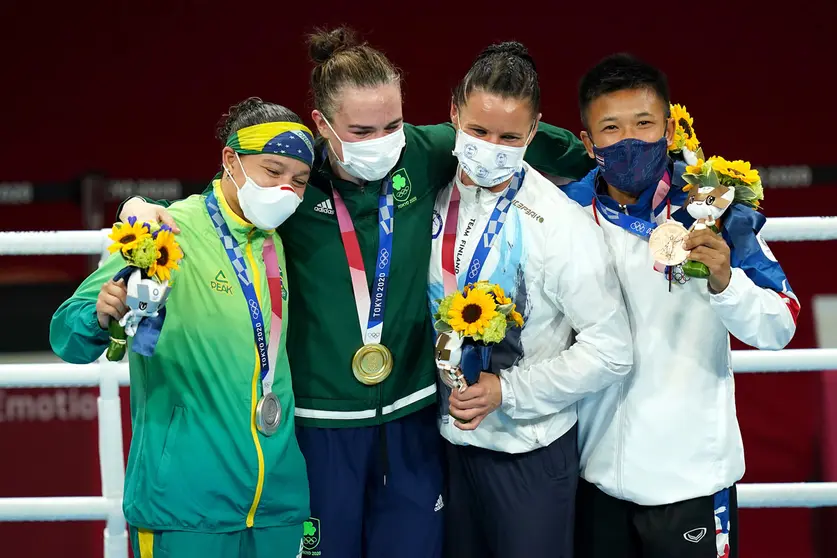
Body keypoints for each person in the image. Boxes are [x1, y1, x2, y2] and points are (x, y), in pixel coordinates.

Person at [117, 27, 595, 558]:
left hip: (413, 415)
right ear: (322, 125)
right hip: (321, 427)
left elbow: (502, 132)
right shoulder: (294, 181)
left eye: (392, 123)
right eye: (361, 129)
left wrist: (593, 162)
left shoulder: (422, 150)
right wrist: (138, 207)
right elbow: (225, 204)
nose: (382, 140)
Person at [50, 99, 313, 558]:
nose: (286, 190)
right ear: (230, 160)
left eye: (299, 180)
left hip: (278, 505)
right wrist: (99, 314)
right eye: (273, 171)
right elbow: (65, 335)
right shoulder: (165, 230)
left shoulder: (282, 240)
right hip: (185, 504)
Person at [562, 54, 801, 558]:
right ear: (587, 142)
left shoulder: (716, 206)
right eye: (610, 127)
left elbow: (779, 324)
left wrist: (725, 282)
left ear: (670, 129)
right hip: (595, 478)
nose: (630, 139)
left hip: (693, 481)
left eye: (644, 123)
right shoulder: (563, 215)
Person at [427, 42, 633, 558]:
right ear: (453, 111)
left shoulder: (560, 224)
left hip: (528, 453)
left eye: (509, 137)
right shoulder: (427, 196)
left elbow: (612, 350)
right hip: (441, 447)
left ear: (534, 131)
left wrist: (509, 392)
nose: (490, 147)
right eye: (476, 131)